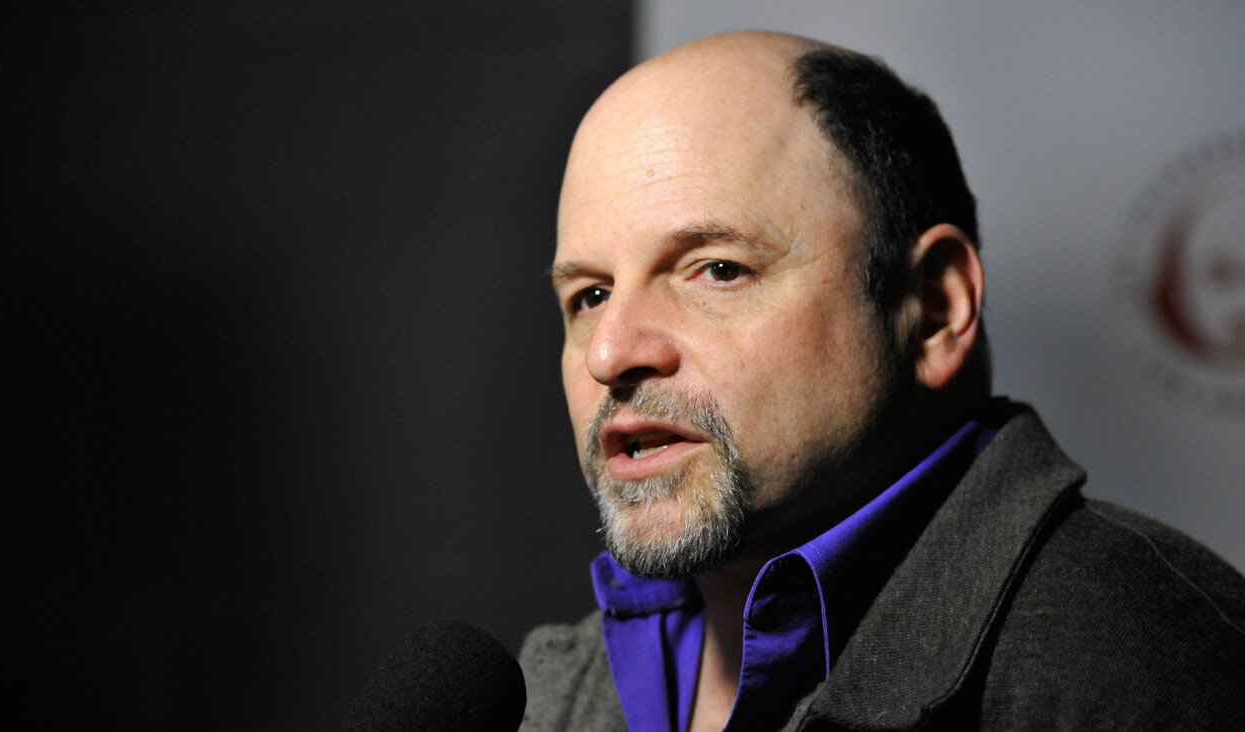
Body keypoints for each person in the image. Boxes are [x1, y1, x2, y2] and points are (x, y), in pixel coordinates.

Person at [521, 30, 1245, 732]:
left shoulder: (1144, 662)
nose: (609, 354)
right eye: (588, 295)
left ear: (935, 308)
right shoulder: (543, 696)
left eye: (716, 270)